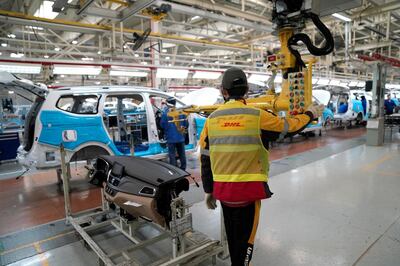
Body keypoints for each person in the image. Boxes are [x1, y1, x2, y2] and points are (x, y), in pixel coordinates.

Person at [199, 67, 324, 266]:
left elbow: (205, 158)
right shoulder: (258, 116)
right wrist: (309, 114)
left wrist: (208, 190)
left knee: (232, 236)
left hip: (223, 193)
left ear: (223, 91)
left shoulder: (210, 121)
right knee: (246, 240)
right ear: (247, 91)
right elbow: (289, 127)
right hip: (249, 192)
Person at [160, 97, 188, 170]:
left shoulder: (165, 113)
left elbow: (162, 125)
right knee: (182, 154)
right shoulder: (181, 112)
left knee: (172, 155)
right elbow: (186, 124)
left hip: (171, 138)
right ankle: (183, 168)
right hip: (181, 137)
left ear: (168, 104)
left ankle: (174, 170)